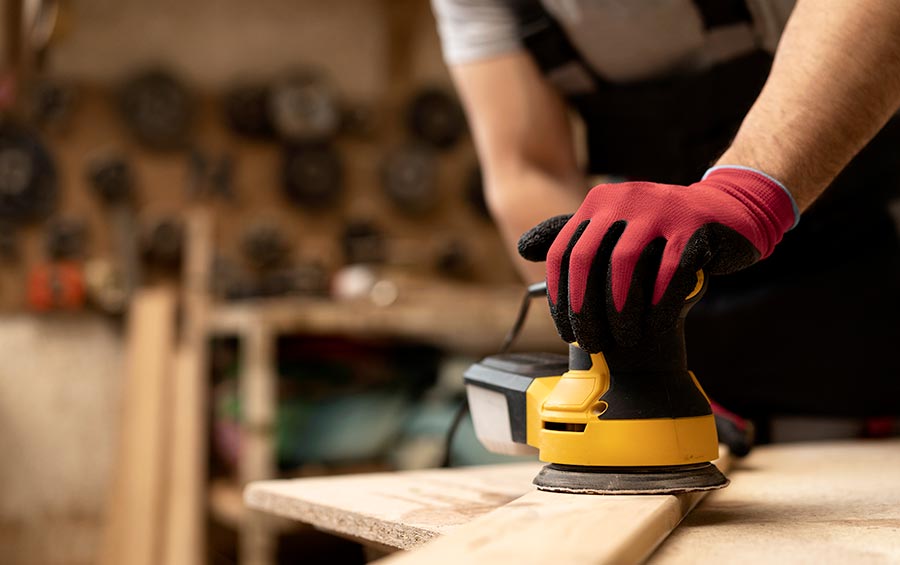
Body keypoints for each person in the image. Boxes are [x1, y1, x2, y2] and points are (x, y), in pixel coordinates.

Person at [431, 0, 900, 437]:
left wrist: (748, 192)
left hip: (861, 264)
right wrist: (612, 355)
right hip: (673, 290)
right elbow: (531, 169)